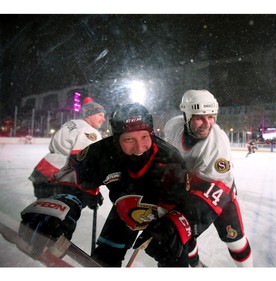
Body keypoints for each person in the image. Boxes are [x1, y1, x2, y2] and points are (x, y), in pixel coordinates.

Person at [19, 102, 215, 267]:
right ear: (115, 138)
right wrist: (63, 203)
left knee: (174, 260)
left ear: (152, 134)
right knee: (103, 260)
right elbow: (75, 179)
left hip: (165, 215)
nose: (139, 148)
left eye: (144, 137)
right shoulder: (101, 152)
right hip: (124, 210)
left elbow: (191, 200)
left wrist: (180, 225)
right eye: (129, 139)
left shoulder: (170, 158)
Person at [164, 89, 253, 267]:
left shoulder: (217, 145)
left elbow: (212, 190)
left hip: (219, 191)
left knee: (234, 239)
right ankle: (196, 266)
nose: (207, 124)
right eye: (200, 118)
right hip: (187, 186)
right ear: (186, 116)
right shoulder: (173, 125)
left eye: (211, 117)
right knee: (184, 235)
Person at [28, 97, 106, 199]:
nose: (103, 119)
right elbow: (83, 163)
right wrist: (92, 192)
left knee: (43, 211)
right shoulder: (89, 131)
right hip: (59, 178)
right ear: (90, 114)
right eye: (100, 115)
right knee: (60, 212)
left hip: (43, 169)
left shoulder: (72, 123)